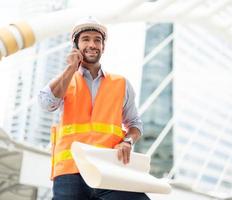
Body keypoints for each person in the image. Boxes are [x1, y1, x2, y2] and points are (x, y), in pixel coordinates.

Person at [38, 16, 150, 200]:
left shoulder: (121, 83)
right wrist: (70, 68)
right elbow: (46, 103)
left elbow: (135, 124)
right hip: (70, 172)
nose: (92, 44)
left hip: (109, 169)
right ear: (75, 46)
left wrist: (127, 141)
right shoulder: (65, 80)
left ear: (103, 47)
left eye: (97, 40)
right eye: (85, 39)